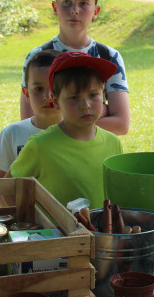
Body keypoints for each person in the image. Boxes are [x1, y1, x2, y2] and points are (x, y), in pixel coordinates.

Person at [19, 0, 130, 135]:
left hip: (93, 150)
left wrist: (59, 120)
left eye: (84, 3)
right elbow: (30, 125)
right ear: (55, 7)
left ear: (96, 11)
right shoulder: (37, 57)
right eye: (66, 2)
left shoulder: (108, 57)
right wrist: (100, 113)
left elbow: (121, 124)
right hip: (51, 150)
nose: (75, 10)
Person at [10, 51, 123, 208]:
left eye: (93, 95)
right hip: (57, 226)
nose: (86, 105)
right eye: (73, 97)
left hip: (104, 224)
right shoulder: (40, 146)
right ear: (56, 101)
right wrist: (27, 219)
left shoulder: (113, 142)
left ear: (103, 93)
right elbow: (8, 188)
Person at [0, 49, 61, 206]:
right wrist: (15, 214)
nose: (47, 96)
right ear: (26, 94)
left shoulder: (78, 134)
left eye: (54, 87)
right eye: (38, 89)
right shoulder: (12, 133)